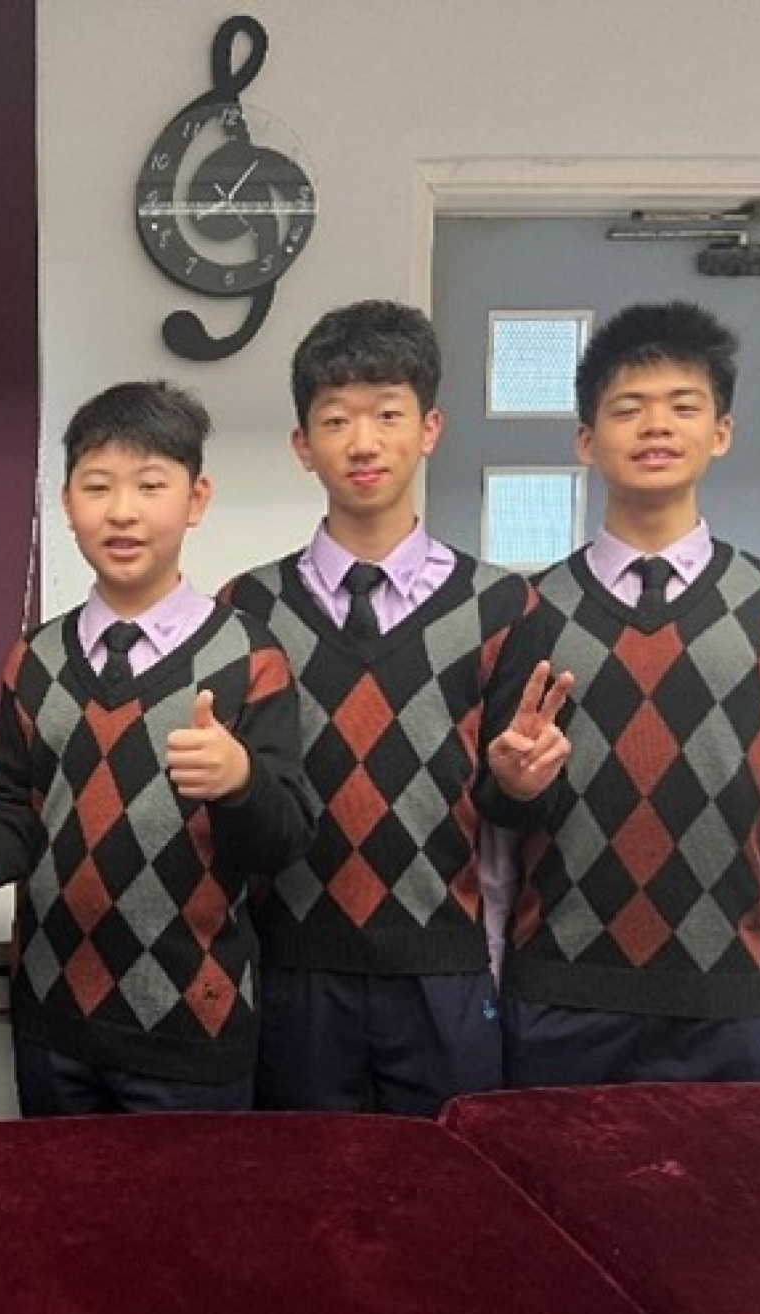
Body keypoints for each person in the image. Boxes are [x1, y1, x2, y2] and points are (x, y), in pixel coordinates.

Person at [501, 300, 760, 1085]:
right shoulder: (526, 608)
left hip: (725, 1005)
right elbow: (489, 830)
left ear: (721, 432)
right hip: (554, 999)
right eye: (629, 408)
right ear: (586, 440)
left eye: (683, 406)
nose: (656, 426)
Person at [220, 300, 572, 1117]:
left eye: (387, 414)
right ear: (302, 445)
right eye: (336, 420)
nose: (364, 442)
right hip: (293, 968)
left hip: (444, 969)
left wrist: (520, 784)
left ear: (430, 428)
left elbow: (516, 803)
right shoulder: (245, 609)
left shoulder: (503, 606)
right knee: (302, 1186)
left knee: (450, 1184)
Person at [0, 379, 316, 1116]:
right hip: (52, 1021)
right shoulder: (35, 659)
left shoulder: (249, 656)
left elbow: (287, 839)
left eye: (150, 485)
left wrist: (239, 780)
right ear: (67, 503)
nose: (122, 511)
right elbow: (17, 813)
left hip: (195, 1031)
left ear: (196, 499)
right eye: (98, 486)